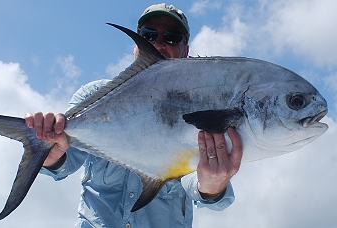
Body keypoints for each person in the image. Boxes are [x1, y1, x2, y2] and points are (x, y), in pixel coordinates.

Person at [25, 3, 242, 227]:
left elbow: (199, 184)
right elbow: (65, 163)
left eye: (171, 38)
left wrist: (212, 186)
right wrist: (50, 155)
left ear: (185, 50)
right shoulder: (94, 95)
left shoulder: (202, 109)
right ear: (136, 45)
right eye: (148, 35)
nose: (158, 44)